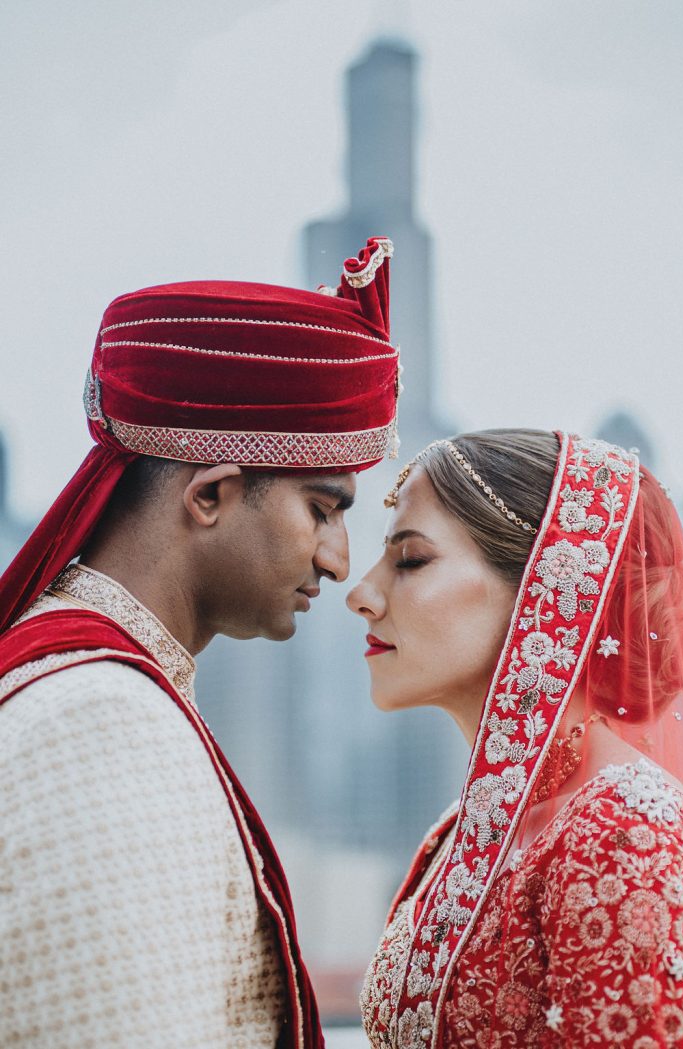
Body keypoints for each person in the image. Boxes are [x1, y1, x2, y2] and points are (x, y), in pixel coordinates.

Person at [0, 236, 399, 1049]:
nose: (339, 560)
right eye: (324, 510)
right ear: (212, 494)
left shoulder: (107, 689)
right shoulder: (102, 721)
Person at [348, 429, 683, 1048]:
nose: (361, 595)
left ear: (546, 587)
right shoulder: (464, 830)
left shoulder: (622, 832)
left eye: (410, 560)